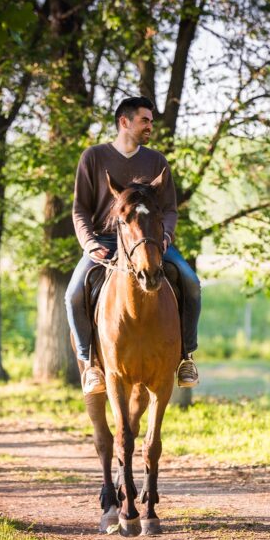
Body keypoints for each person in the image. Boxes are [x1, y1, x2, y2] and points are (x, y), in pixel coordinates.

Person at [66, 96, 202, 395]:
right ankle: (90, 365)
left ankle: (186, 357)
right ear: (124, 122)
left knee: (191, 282)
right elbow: (80, 210)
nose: (150, 126)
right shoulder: (93, 157)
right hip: (105, 242)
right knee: (74, 294)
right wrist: (89, 243)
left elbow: (169, 210)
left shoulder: (156, 161)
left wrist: (165, 236)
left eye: (151, 121)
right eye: (145, 120)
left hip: (152, 242)